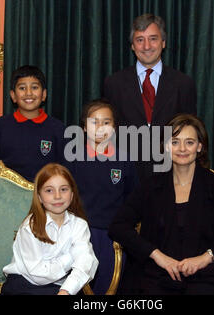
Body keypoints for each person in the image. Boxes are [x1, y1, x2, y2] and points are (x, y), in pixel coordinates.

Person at [108, 113, 214, 295]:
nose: (182, 148)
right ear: (166, 146)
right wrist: (157, 255)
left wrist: (207, 257)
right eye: (175, 142)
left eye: (189, 142)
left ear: (200, 146)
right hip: (156, 276)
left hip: (209, 277)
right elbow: (118, 226)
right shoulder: (150, 187)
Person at [103, 13, 197, 181]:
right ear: (132, 45)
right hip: (125, 177)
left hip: (171, 176)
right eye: (140, 40)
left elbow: (191, 133)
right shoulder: (113, 84)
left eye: (153, 39)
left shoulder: (183, 84)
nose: (146, 46)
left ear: (163, 42)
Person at [69, 98, 138, 294]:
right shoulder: (73, 159)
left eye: (106, 122)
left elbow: (132, 199)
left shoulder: (124, 160)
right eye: (94, 122)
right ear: (84, 127)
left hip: (112, 237)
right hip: (80, 233)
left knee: (110, 287)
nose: (100, 127)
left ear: (114, 127)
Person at [1, 163, 98, 295]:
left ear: (72, 194)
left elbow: (86, 263)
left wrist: (66, 290)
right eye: (49, 190)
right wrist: (71, 257)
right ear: (39, 197)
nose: (57, 196)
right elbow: (37, 274)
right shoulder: (30, 226)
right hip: (24, 284)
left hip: (61, 285)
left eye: (63, 189)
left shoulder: (79, 225)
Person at [0, 65, 67, 182]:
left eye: (34, 87)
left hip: (45, 193)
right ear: (13, 96)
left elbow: (65, 168)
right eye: (22, 88)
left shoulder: (57, 128)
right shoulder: (1, 125)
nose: (28, 93)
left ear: (43, 95)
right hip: (8, 191)